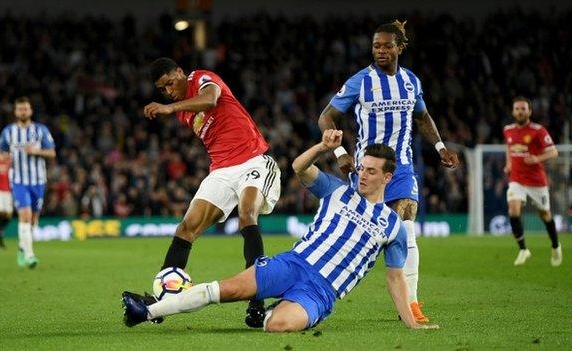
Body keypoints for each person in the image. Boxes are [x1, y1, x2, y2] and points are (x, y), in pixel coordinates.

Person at [122, 130, 439, 331]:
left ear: (387, 177)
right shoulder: (337, 190)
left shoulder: (393, 227)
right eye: (362, 168)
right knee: (225, 290)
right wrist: (321, 147)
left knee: (277, 324)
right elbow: (300, 168)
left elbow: (395, 280)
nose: (363, 175)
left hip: (320, 291)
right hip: (292, 264)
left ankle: (277, 309)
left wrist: (412, 324)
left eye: (371, 171)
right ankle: (146, 311)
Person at [317, 20, 459, 323]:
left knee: (406, 227)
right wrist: (340, 153)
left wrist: (440, 147)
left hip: (402, 167)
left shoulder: (411, 82)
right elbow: (326, 118)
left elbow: (423, 118)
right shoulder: (360, 82)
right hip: (368, 169)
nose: (380, 50)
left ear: (400, 47)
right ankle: (314, 290)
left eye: (386, 45)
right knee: (354, 241)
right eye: (376, 46)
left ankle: (412, 304)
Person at [141, 58, 282, 328]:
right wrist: (174, 108)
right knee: (186, 228)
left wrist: (168, 108)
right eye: (162, 90)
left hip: (253, 160)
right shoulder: (184, 112)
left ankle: (256, 300)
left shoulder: (202, 79)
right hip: (221, 171)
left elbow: (210, 100)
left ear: (180, 73)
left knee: (247, 214)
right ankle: (162, 301)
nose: (169, 91)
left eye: (170, 83)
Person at [0, 96, 56, 268]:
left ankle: (22, 247)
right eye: (20, 109)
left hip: (38, 181)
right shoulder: (8, 131)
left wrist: (36, 151)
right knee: (25, 215)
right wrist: (4, 159)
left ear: (30, 111)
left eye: (25, 108)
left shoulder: (41, 130)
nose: (23, 111)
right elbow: (0, 152)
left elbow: (52, 153)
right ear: (15, 112)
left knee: (33, 220)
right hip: (18, 181)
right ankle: (30, 255)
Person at [503, 97, 561, 266]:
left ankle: (556, 245)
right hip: (517, 179)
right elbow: (509, 147)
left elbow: (554, 152)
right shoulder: (508, 130)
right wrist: (508, 163)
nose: (520, 111)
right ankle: (523, 249)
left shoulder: (538, 130)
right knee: (513, 210)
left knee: (545, 214)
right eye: (517, 109)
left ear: (529, 111)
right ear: (513, 112)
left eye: (523, 109)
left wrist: (537, 158)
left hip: (537, 182)